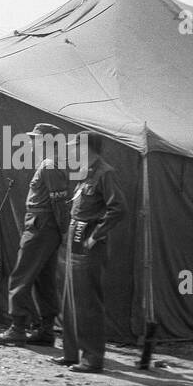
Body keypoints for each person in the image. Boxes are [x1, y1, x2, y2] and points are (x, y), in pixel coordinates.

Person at [0, 124, 74, 347]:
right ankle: (46, 330)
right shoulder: (51, 163)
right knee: (43, 279)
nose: (31, 142)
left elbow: (59, 204)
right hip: (45, 225)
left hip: (41, 225)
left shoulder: (49, 165)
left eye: (36, 139)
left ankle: (17, 328)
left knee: (21, 275)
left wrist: (63, 231)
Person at [57, 133, 126, 373]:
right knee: (70, 300)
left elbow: (118, 208)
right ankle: (70, 354)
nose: (71, 151)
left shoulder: (105, 173)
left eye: (74, 147)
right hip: (74, 239)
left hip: (88, 242)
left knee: (87, 302)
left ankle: (92, 358)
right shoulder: (85, 172)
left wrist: (96, 235)